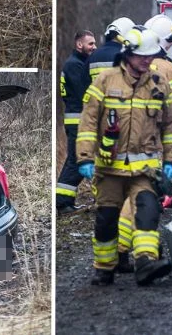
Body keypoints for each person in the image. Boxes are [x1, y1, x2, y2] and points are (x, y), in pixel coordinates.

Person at [76, 27, 172, 286]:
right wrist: (85, 158)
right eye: (142, 56)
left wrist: (171, 160)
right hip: (109, 168)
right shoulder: (105, 80)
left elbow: (170, 126)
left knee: (147, 212)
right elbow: (88, 121)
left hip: (144, 168)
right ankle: (104, 269)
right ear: (128, 53)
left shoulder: (159, 83)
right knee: (106, 221)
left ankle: (145, 262)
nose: (147, 60)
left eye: (150, 56)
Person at [111, 14, 172, 271]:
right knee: (142, 199)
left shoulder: (121, 67)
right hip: (148, 148)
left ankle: (123, 252)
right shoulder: (166, 68)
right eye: (169, 42)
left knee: (132, 199)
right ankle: (138, 255)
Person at [56, 30, 97, 214]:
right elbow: (85, 94)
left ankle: (64, 200)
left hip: (76, 119)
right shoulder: (75, 65)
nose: (94, 47)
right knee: (77, 161)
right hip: (78, 120)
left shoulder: (77, 63)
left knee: (74, 160)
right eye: (91, 44)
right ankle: (62, 202)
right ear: (79, 45)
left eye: (95, 43)